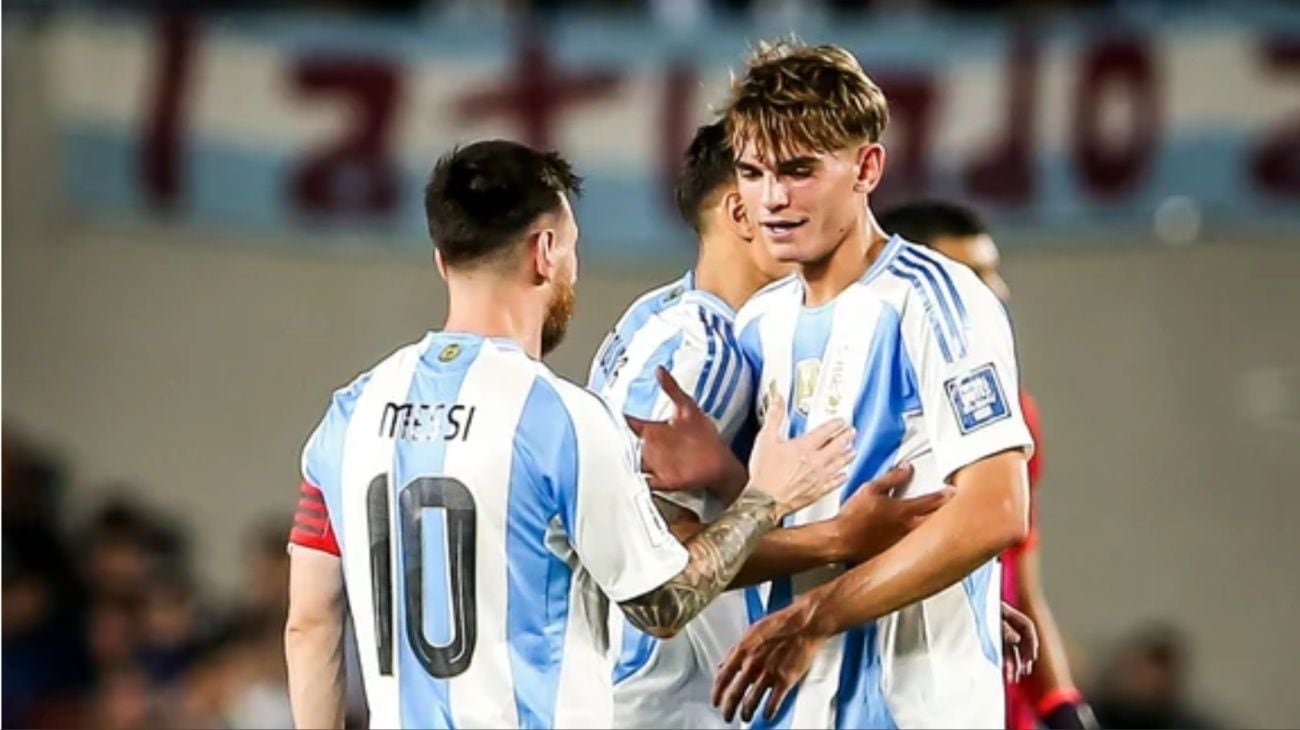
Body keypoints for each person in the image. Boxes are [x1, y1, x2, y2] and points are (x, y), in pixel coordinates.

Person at [282, 139, 857, 729]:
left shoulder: (349, 415)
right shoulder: (561, 418)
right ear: (547, 251)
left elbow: (311, 623)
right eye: (574, 249)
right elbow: (662, 602)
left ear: (442, 260)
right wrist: (767, 496)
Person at [705, 42, 1036, 728]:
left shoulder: (937, 302)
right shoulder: (760, 322)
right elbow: (746, 534)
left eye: (799, 171)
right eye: (753, 172)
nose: (773, 198)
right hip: (793, 707)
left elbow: (997, 510)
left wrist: (819, 613)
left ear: (866, 167)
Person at [590, 121, 949, 729]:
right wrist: (842, 538)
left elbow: (721, 508)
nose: (788, 202)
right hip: (672, 702)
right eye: (767, 181)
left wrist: (922, 590)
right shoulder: (710, 352)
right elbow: (657, 565)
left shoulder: (657, 317)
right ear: (738, 209)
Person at [878, 200, 1097, 730]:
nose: (997, 291)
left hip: (995, 703)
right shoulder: (861, 408)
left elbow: (1020, 578)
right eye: (973, 275)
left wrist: (1061, 703)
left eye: (994, 271)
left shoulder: (1009, 411)